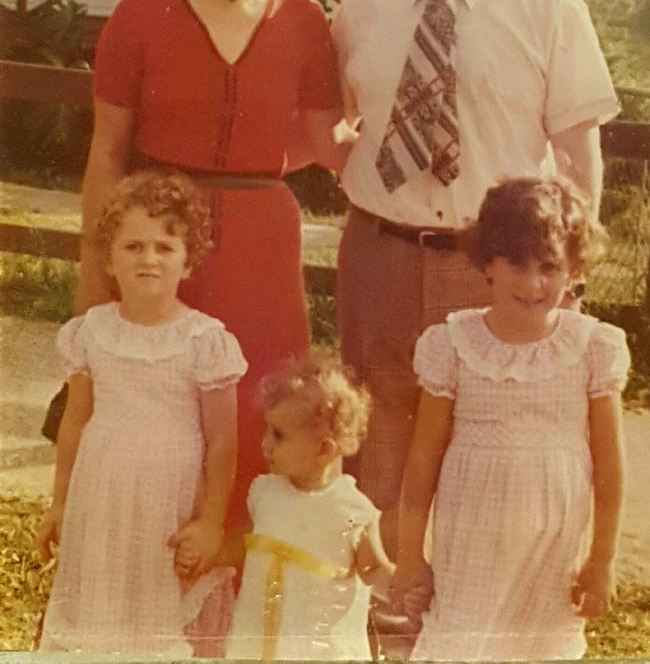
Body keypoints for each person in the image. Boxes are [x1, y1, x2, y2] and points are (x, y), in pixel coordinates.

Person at [331, 0, 621, 555]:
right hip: (382, 255)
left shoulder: (550, 3)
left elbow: (579, 156)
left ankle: (469, 610)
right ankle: (386, 604)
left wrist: (567, 278)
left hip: (495, 267)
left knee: (486, 449)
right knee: (380, 440)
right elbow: (329, 120)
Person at [72, 0, 347, 533]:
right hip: (163, 236)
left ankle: (244, 591)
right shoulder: (138, 15)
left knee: (266, 403)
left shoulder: (306, 21)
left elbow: (325, 140)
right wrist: (96, 269)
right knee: (156, 404)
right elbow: (107, 152)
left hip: (263, 240)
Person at [393, 176, 629, 661]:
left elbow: (610, 469)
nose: (532, 283)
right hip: (472, 533)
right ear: (487, 263)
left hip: (553, 541)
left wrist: (601, 559)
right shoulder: (453, 344)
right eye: (516, 265)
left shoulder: (591, 347)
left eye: (549, 267)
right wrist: (411, 555)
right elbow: (421, 463)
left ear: (573, 270)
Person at [36, 172, 248, 655]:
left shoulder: (204, 340)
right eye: (132, 247)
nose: (148, 259)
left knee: (156, 616)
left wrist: (212, 523)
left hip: (168, 502)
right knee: (100, 609)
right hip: (101, 495)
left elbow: (223, 444)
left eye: (164, 247)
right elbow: (75, 421)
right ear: (109, 257)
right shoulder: (91, 332)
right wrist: (61, 502)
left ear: (188, 261)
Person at [226, 357, 395, 660]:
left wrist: (401, 586)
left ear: (324, 450)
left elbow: (374, 571)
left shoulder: (351, 509)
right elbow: (242, 548)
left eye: (278, 435)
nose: (265, 444)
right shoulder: (265, 493)